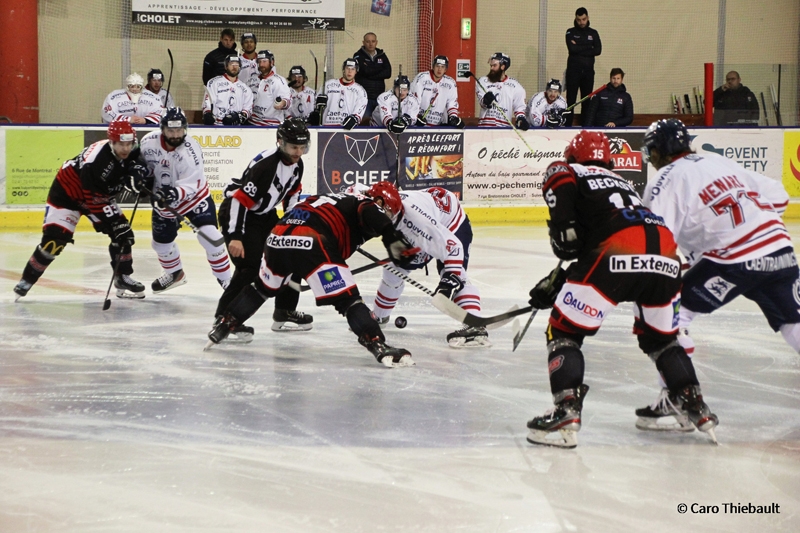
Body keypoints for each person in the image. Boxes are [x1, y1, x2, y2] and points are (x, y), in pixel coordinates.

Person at [524, 130, 718, 448]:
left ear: (573, 156)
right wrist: (566, 277)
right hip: (666, 256)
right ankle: (694, 404)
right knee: (662, 340)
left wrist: (563, 230)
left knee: (564, 331)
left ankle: (566, 411)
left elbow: (559, 182)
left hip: (619, 251)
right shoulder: (623, 183)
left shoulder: (570, 169)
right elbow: (603, 235)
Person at [637, 118, 796, 430]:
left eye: (651, 152)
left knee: (669, 316)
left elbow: (655, 237)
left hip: (733, 258)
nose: (650, 159)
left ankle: (679, 398)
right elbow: (778, 196)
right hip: (779, 247)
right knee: (794, 321)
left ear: (659, 151)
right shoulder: (717, 160)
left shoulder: (664, 180)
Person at [207, 182, 420, 368]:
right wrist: (391, 236)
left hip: (277, 236)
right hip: (312, 240)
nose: (388, 218)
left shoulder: (338, 198)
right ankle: (377, 344)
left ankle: (226, 323)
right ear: (379, 201)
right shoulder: (366, 202)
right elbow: (370, 211)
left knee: (261, 288)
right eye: (388, 213)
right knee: (348, 301)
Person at [13, 122, 147, 301]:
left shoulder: (133, 151)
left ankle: (122, 278)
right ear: (111, 142)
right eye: (121, 144)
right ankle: (26, 280)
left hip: (98, 195)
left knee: (124, 236)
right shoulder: (96, 162)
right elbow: (94, 199)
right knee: (54, 241)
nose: (126, 149)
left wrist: (140, 179)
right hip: (67, 195)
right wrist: (115, 222)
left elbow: (138, 167)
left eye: (129, 144)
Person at [213, 118, 315, 341]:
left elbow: (293, 194)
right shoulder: (266, 166)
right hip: (239, 215)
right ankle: (224, 318)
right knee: (249, 268)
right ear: (280, 142)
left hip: (264, 215)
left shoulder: (297, 165)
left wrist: (292, 224)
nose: (298, 152)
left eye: (302, 147)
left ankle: (284, 311)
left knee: (292, 254)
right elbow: (239, 201)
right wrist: (236, 236)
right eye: (293, 147)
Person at [367, 185, 489, 348]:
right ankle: (379, 317)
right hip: (430, 213)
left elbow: (453, 248)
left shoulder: (417, 222)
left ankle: (475, 325)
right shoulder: (368, 199)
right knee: (394, 270)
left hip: (451, 223)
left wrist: (448, 281)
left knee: (456, 273)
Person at [132, 108, 232, 294]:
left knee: (212, 238)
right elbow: (141, 164)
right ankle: (175, 273)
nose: (176, 135)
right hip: (163, 203)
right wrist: (140, 176)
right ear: (162, 129)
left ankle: (227, 280)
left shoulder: (191, 150)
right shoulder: (147, 142)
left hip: (195, 199)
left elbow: (193, 184)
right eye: (171, 131)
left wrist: (172, 194)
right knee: (160, 245)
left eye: (179, 130)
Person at [564, 7, 602, 126]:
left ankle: (585, 127)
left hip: (588, 73)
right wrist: (589, 47)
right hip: (573, 73)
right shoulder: (570, 32)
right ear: (575, 19)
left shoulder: (593, 33)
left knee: (586, 101)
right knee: (571, 101)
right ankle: (567, 127)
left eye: (584, 19)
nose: (581, 22)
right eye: (579, 19)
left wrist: (579, 47)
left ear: (588, 18)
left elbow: (598, 50)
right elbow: (572, 49)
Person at [309, 58, 368, 130]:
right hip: (327, 126)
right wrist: (318, 105)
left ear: (356, 71)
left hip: (346, 129)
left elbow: (360, 109)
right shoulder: (328, 85)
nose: (350, 71)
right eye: (347, 68)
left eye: (353, 69)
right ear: (343, 69)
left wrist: (355, 118)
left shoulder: (360, 90)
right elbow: (316, 104)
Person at [476, 53, 528, 129]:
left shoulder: (516, 86)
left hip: (504, 129)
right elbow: (482, 103)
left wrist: (521, 118)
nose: (491, 68)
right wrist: (486, 100)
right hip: (485, 127)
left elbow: (519, 107)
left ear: (502, 66)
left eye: (494, 66)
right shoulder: (483, 81)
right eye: (491, 66)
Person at [410, 55, 463, 128]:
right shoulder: (422, 78)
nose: (439, 69)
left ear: (445, 69)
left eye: (442, 67)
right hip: (419, 125)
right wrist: (416, 116)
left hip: (439, 126)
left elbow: (452, 103)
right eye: (437, 66)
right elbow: (414, 99)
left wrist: (453, 117)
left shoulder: (450, 83)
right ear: (433, 66)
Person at [202, 55, 253, 126]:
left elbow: (248, 108)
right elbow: (207, 102)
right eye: (231, 64)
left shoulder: (246, 88)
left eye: (236, 64)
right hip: (216, 126)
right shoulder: (214, 82)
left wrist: (239, 117)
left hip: (236, 127)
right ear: (226, 66)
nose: (234, 67)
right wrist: (207, 114)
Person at [353, 32, 392, 118]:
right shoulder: (358, 56)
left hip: (379, 97)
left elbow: (388, 73)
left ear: (376, 42)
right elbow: (365, 71)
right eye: (368, 41)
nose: (370, 44)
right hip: (364, 98)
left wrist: (370, 72)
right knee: (364, 122)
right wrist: (379, 69)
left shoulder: (382, 55)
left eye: (373, 41)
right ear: (363, 42)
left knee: (380, 121)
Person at [248, 50, 291, 127]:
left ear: (272, 62)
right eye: (259, 61)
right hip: (253, 122)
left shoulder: (278, 80)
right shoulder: (253, 79)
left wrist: (282, 103)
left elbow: (287, 99)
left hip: (270, 124)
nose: (261, 64)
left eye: (264, 61)